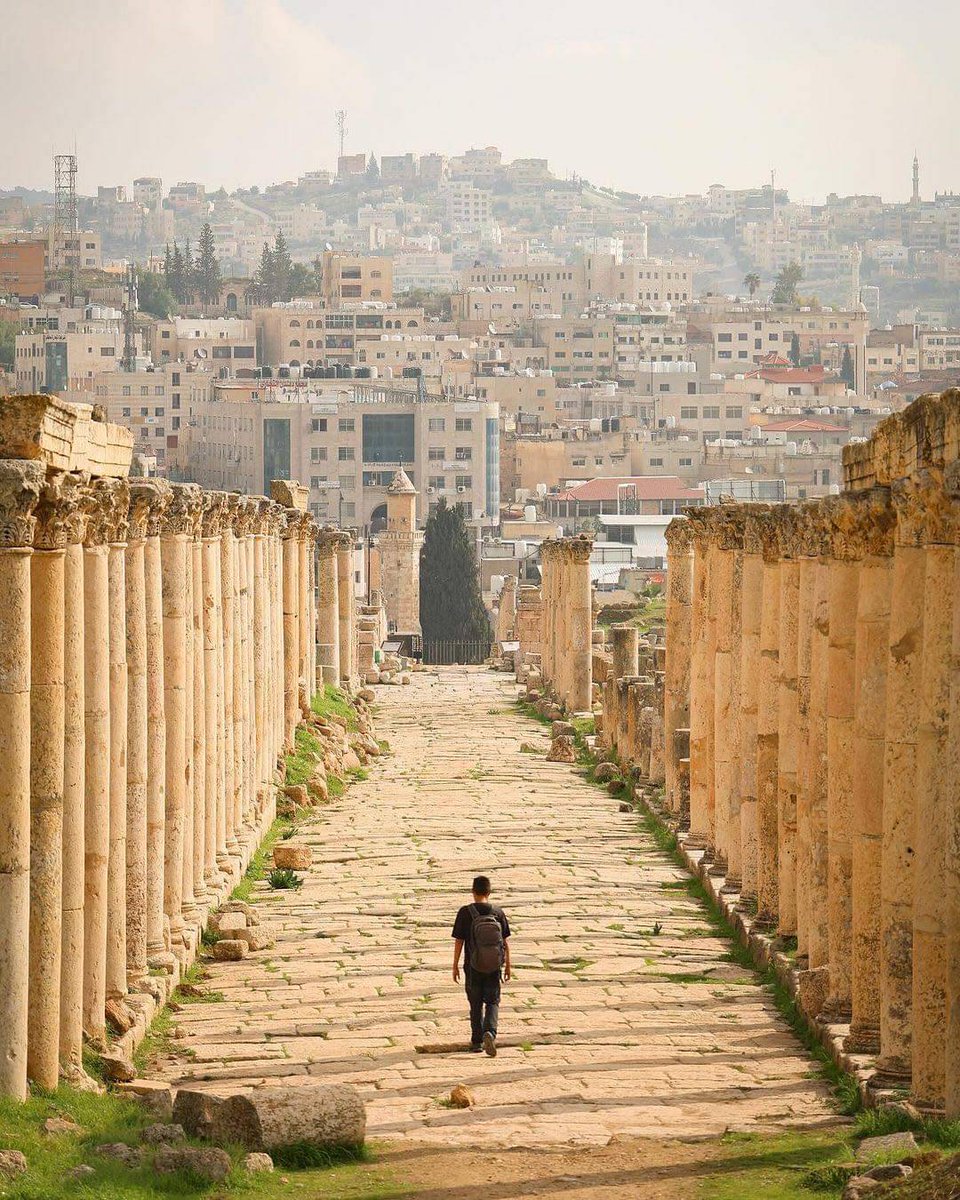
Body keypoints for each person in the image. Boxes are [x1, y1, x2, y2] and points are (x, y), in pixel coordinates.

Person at [452, 875, 511, 1056]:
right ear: (489, 892)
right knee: (493, 1001)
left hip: (473, 966)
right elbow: (505, 941)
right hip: (494, 966)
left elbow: (459, 942)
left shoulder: (465, 912)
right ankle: (490, 1032)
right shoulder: (497, 912)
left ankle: (477, 1041)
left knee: (475, 1003)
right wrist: (508, 964)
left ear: (473, 892)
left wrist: (454, 965)